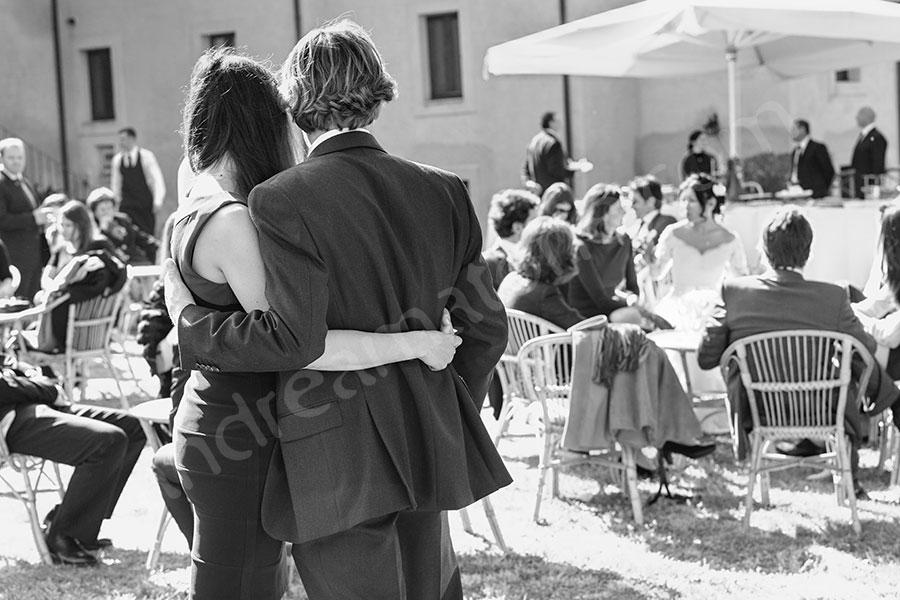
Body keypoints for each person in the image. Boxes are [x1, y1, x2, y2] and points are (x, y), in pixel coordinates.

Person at [167, 42, 494, 600]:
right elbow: (484, 322)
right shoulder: (446, 188)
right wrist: (446, 397)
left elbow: (293, 337)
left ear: (294, 101)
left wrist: (192, 324)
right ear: (380, 93)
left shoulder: (276, 199)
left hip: (330, 450)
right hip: (425, 430)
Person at [697, 205, 900, 498]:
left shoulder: (733, 292)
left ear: (764, 250)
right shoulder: (832, 297)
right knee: (851, 358)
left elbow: (705, 358)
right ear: (808, 251)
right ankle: (858, 458)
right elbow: (866, 350)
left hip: (761, 411)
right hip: (823, 410)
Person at [1, 359, 145, 565]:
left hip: (28, 400)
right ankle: (64, 535)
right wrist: (49, 390)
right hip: (9, 418)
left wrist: (32, 374)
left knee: (133, 427)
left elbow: (7, 360)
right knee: (108, 440)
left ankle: (74, 522)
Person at [649, 174, 748, 330]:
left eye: (692, 201)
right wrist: (649, 257)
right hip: (678, 307)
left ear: (710, 203)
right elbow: (656, 273)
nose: (685, 206)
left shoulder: (730, 239)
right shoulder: (673, 233)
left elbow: (742, 279)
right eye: (683, 200)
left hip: (712, 309)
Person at [567, 184, 642, 324]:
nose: (624, 213)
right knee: (631, 317)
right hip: (587, 319)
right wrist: (630, 305)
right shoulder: (581, 248)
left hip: (614, 311)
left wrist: (633, 298)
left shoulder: (624, 241)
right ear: (602, 213)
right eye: (619, 209)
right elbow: (600, 300)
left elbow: (632, 285)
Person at [498, 216, 584, 329]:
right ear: (562, 254)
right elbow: (580, 326)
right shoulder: (545, 293)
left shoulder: (511, 279)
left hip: (518, 345)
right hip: (541, 346)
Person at [0, 137, 48, 300]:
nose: (16, 162)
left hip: (33, 254)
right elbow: (2, 220)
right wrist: (33, 218)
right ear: (1, 158)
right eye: (11, 158)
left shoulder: (24, 181)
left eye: (20, 157)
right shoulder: (1, 182)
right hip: (14, 256)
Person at [110, 127, 166, 235]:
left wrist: (158, 200)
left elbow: (156, 179)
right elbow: (116, 183)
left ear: (132, 138)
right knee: (129, 235)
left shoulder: (146, 156)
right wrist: (115, 204)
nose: (121, 142)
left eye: (123, 139)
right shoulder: (117, 160)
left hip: (144, 203)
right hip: (127, 205)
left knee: (147, 234)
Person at [521, 111, 591, 195]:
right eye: (557, 120)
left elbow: (525, 168)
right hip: (553, 193)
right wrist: (577, 168)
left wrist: (527, 182)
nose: (560, 123)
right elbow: (556, 170)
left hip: (538, 193)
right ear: (551, 123)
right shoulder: (553, 143)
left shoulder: (534, 141)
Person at [86, 187, 159, 265]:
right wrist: (105, 230)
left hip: (136, 261)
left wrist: (158, 245)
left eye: (109, 208)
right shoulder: (93, 230)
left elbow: (140, 237)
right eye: (102, 210)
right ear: (95, 212)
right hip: (115, 267)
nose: (107, 213)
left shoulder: (123, 221)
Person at [483, 188, 539, 290]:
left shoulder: (532, 256)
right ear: (517, 227)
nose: (538, 226)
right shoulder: (489, 263)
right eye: (533, 221)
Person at [629, 175, 676, 258]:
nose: (632, 206)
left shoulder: (666, 223)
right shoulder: (638, 226)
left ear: (651, 201)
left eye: (635, 201)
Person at [789, 119, 835, 199]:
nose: (791, 132)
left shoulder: (817, 148)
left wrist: (821, 189)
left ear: (802, 129)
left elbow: (829, 170)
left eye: (794, 129)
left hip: (816, 195)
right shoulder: (795, 151)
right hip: (797, 193)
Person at [850, 106, 888, 199]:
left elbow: (878, 163)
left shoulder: (876, 137)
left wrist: (875, 186)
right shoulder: (864, 136)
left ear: (866, 117)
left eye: (859, 115)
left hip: (869, 187)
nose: (856, 118)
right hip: (860, 184)